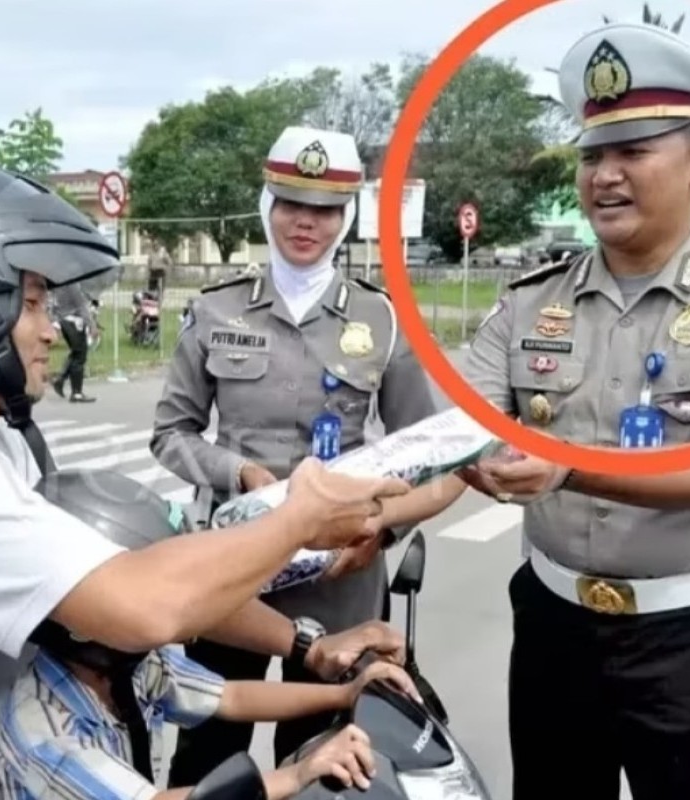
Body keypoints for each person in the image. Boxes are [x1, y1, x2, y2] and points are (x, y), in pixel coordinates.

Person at [0, 161, 411, 800]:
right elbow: (141, 605)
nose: (51, 329)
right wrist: (298, 520)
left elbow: (132, 572)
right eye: (29, 303)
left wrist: (310, 647)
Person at [150, 125, 468, 782]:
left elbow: (430, 454)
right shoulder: (216, 310)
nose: (306, 222)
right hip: (231, 579)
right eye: (292, 203)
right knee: (209, 755)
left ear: (346, 216)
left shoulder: (383, 320)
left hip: (341, 587)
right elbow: (171, 432)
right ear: (268, 205)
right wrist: (235, 471)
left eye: (324, 209)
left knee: (327, 763)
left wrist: (380, 531)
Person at [459, 20, 690, 800]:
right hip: (554, 625)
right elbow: (462, 424)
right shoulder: (530, 299)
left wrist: (571, 469)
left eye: (633, 152)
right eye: (592, 156)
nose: (605, 176)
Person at [0, 468, 423, 800]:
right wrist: (295, 775)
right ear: (81, 618)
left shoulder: (132, 666)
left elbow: (230, 697)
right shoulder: (44, 727)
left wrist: (346, 696)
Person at [49, 281, 97, 402]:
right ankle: (76, 392)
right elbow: (81, 305)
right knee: (80, 355)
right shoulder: (72, 283)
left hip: (63, 320)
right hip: (74, 321)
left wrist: (55, 320)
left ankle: (60, 379)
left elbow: (53, 303)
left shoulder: (58, 282)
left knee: (75, 352)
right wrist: (91, 324)